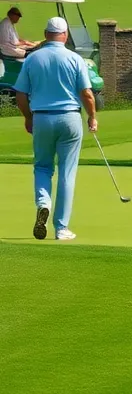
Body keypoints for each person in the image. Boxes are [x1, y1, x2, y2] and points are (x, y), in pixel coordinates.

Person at [12, 17, 98, 241]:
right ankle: (61, 228)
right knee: (67, 173)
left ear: (45, 33)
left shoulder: (33, 59)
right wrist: (92, 117)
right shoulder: (75, 58)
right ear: (66, 34)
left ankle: (43, 203)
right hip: (70, 118)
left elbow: (20, 93)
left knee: (42, 167)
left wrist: (28, 117)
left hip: (42, 118)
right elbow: (87, 94)